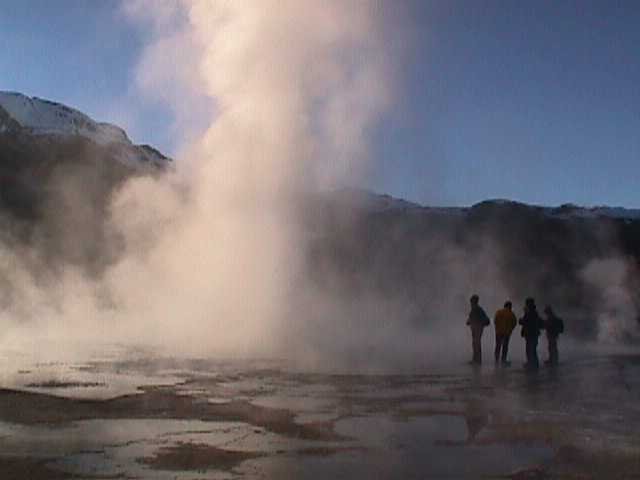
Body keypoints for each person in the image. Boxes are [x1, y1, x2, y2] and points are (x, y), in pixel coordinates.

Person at [519, 297, 545, 370]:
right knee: (532, 349)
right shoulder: (533, 312)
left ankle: (532, 364)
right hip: (533, 333)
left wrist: (521, 320)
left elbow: (527, 322)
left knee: (531, 349)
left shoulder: (530, 312)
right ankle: (532, 363)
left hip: (530, 333)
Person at [466, 294, 490, 365]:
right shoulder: (476, 309)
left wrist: (469, 322)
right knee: (475, 343)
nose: (470, 303)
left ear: (473, 301)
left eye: (471, 301)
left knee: (476, 344)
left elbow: (472, 319)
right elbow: (471, 319)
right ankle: (476, 359)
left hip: (478, 329)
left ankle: (477, 360)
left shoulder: (476, 309)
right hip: (476, 329)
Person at [494, 301, 517, 366]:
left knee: (498, 346)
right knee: (505, 346)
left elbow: (495, 320)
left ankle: (496, 359)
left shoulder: (499, 312)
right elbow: (514, 323)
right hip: (507, 333)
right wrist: (510, 329)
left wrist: (497, 328)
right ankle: (503, 360)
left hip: (499, 332)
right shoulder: (511, 314)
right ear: (510, 306)